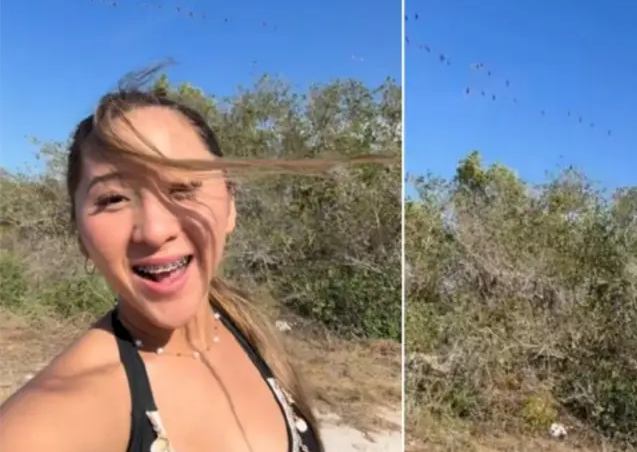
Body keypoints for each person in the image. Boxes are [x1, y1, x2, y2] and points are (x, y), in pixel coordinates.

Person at [0, 75, 390, 452]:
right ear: (81, 236)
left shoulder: (249, 330)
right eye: (113, 198)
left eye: (183, 187)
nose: (154, 230)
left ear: (230, 205)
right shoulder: (52, 418)